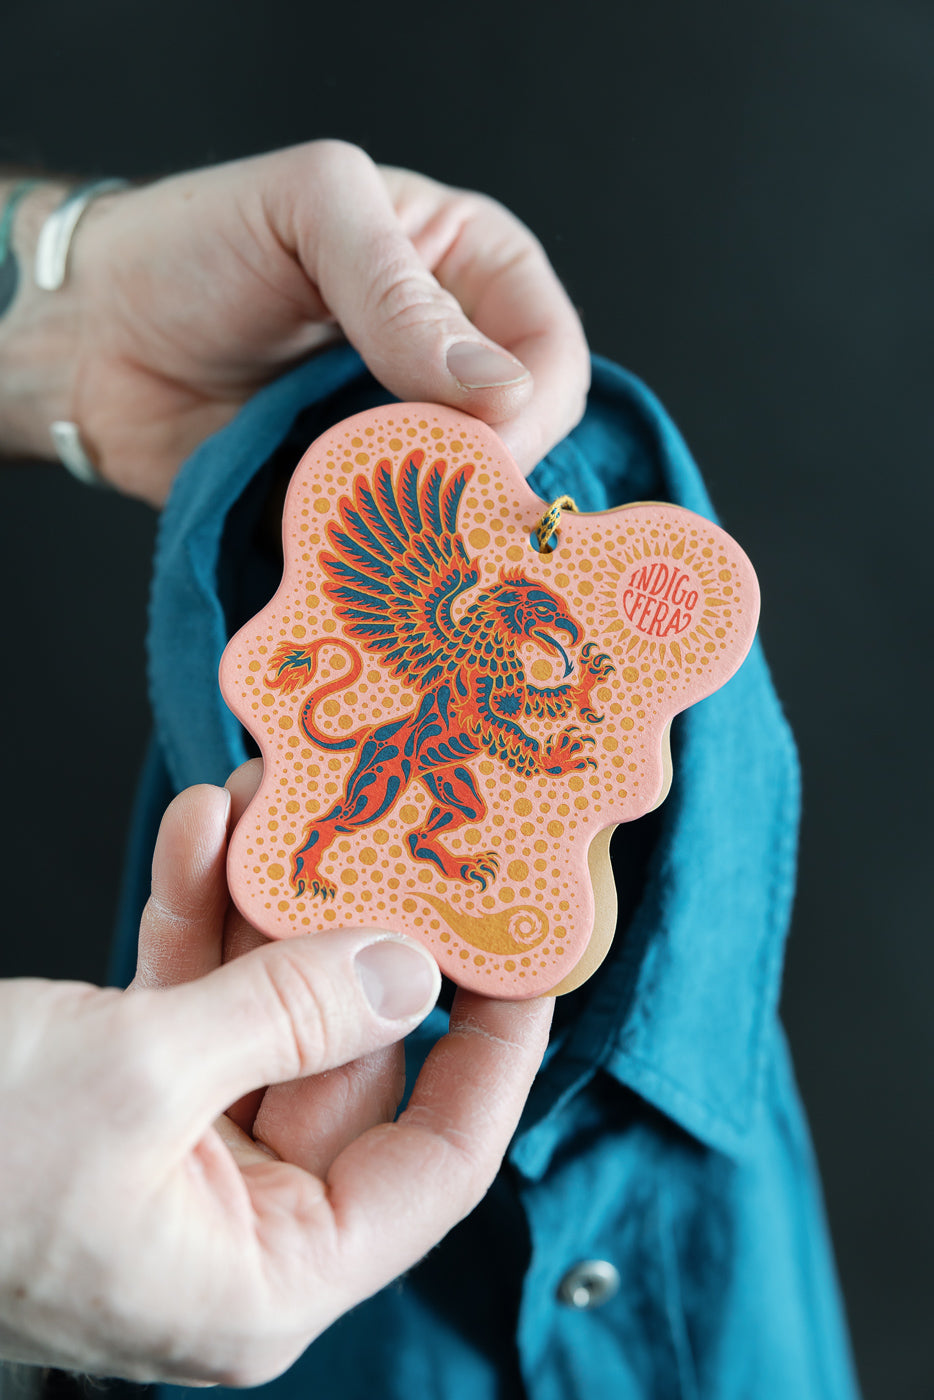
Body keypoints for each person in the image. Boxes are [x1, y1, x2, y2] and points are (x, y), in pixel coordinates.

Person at [0, 143, 861, 1398]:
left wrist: (75, 314)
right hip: (386, 810)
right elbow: (496, 715)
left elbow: (538, 718)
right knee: (385, 797)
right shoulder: (448, 622)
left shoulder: (550, 641)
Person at [0, 142, 582, 1383]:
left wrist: (76, 311)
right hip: (394, 757)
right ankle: (321, 847)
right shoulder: (457, 622)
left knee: (417, 805)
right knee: (357, 810)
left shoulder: (517, 619)